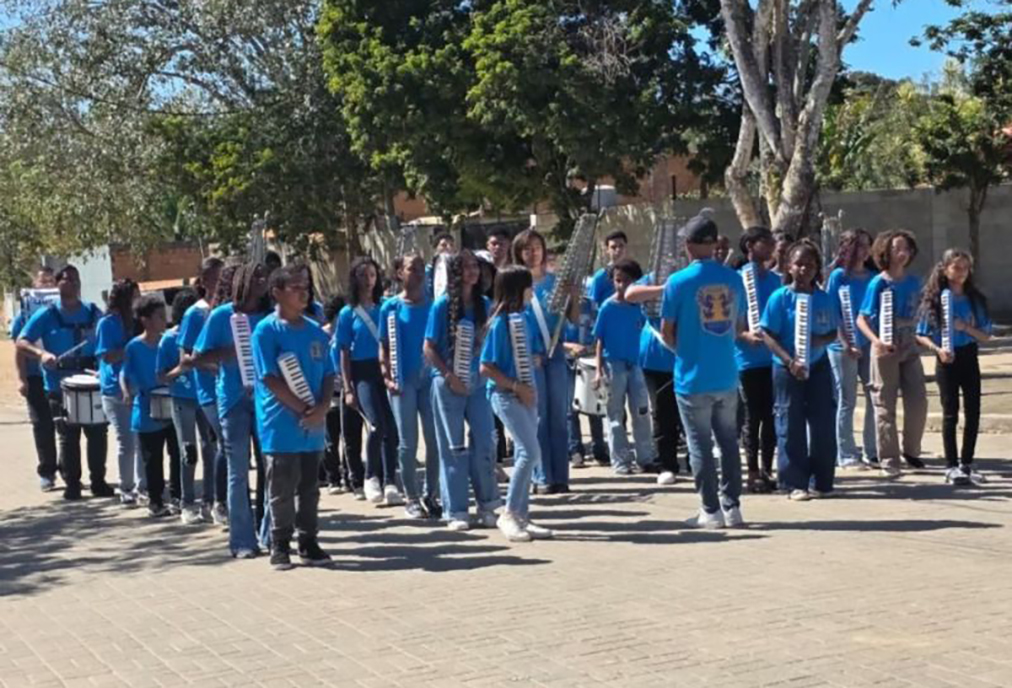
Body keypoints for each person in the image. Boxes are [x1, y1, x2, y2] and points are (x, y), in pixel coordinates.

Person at [660, 216, 745, 529]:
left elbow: (666, 330)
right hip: (726, 372)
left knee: (700, 445)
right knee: (728, 442)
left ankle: (710, 510)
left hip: (692, 376)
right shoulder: (733, 279)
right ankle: (733, 505)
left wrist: (682, 349)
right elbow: (738, 327)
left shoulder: (678, 282)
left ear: (689, 245)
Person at [252, 265, 334, 570]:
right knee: (281, 489)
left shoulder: (315, 331)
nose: (304, 292)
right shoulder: (266, 331)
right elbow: (270, 379)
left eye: (306, 286)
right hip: (280, 424)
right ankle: (279, 543)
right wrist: (303, 410)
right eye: (296, 287)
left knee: (310, 489)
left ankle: (309, 542)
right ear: (277, 293)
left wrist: (323, 407)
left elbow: (328, 373)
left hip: (312, 425)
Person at [194, 263, 270, 558]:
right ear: (242, 282)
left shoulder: (269, 315)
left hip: (266, 400)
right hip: (233, 401)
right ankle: (241, 540)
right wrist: (228, 354)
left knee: (271, 467)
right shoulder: (223, 316)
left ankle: (270, 533)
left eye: (265, 278)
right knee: (238, 472)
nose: (262, 283)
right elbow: (198, 356)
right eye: (256, 278)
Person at [17, 265, 111, 501]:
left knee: (98, 433)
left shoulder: (92, 311)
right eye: (66, 279)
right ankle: (72, 484)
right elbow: (21, 341)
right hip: (60, 386)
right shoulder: (47, 314)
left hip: (91, 381)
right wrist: (41, 355)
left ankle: (98, 481)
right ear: (57, 284)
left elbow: (106, 337)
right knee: (68, 437)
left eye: (75, 279)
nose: (72, 283)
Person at [760, 241, 841, 500]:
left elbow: (832, 331)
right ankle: (794, 482)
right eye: (799, 263)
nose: (804, 268)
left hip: (818, 366)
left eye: (810, 264)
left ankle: (822, 481)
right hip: (787, 370)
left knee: (823, 423)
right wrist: (789, 361)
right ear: (789, 267)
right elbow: (768, 334)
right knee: (789, 423)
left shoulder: (825, 298)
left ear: (817, 267)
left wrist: (821, 340)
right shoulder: (780, 297)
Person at [425, 249, 500, 531]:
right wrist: (448, 375)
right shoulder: (442, 306)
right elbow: (429, 347)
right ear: (456, 272)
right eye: (466, 267)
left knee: (484, 441)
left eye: (476, 267)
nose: (473, 272)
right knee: (453, 447)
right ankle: (455, 509)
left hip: (478, 385)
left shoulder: (485, 304)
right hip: (447, 384)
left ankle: (489, 503)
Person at [481, 265, 553, 543]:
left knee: (531, 453)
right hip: (506, 395)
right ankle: (509, 513)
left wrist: (532, 361)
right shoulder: (499, 324)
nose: (531, 292)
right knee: (528, 453)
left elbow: (529, 352)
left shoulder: (522, 319)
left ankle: (522, 515)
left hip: (525, 393)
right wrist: (516, 386)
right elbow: (486, 367)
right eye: (527, 287)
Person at [916, 249, 992, 486]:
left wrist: (965, 328)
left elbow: (986, 335)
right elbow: (921, 334)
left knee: (974, 410)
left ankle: (967, 463)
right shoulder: (935, 300)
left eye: (965, 268)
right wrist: (937, 350)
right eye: (956, 268)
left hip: (969, 356)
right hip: (946, 359)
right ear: (945, 269)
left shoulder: (974, 299)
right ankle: (951, 465)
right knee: (951, 412)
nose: (961, 273)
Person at [513, 229, 579, 494]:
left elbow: (572, 318)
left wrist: (573, 296)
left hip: (556, 356)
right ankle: (541, 476)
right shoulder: (515, 286)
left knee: (559, 416)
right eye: (526, 249)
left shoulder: (556, 282)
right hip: (532, 358)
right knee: (538, 417)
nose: (533, 253)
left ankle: (560, 476)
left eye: (536, 247)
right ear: (518, 253)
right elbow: (512, 322)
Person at [857, 230, 927, 479]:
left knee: (918, 398)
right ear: (885, 252)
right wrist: (875, 341)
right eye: (898, 248)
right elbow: (862, 317)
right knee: (885, 404)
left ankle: (912, 451)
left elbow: (922, 312)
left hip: (909, 344)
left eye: (907, 248)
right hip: (885, 346)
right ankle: (889, 459)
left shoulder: (914, 281)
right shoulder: (879, 282)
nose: (903, 253)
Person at [379, 253, 441, 519]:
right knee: (407, 443)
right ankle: (411, 497)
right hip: (402, 382)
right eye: (410, 269)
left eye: (420, 269)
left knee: (434, 439)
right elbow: (383, 345)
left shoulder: (435, 305)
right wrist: (387, 377)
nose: (416, 273)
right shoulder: (390, 308)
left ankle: (432, 493)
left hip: (430, 381)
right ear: (399, 273)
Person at [337, 257, 401, 506]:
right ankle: (370, 476)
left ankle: (390, 480)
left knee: (391, 427)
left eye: (372, 275)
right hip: (361, 371)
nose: (368, 280)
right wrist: (347, 387)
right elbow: (343, 351)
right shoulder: (347, 312)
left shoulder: (386, 307)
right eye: (363, 275)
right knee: (375, 424)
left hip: (384, 369)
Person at [593, 258, 656, 475]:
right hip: (614, 365)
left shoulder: (640, 307)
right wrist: (598, 370)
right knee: (615, 415)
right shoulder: (607, 307)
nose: (622, 286)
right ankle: (620, 460)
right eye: (618, 280)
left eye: (627, 281)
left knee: (641, 411)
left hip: (636, 364)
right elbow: (599, 340)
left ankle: (645, 457)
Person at [178, 259, 228, 527]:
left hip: (230, 389)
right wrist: (212, 365)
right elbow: (185, 356)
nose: (222, 284)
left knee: (219, 447)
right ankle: (206, 501)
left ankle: (216, 500)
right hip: (207, 391)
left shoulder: (229, 311)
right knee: (219, 443)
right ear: (205, 281)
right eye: (217, 278)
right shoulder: (195, 314)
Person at [825, 229, 878, 469]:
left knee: (874, 396)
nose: (864, 251)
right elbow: (832, 312)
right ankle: (845, 453)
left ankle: (872, 450)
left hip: (868, 345)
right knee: (846, 400)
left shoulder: (872, 277)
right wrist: (847, 344)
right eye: (858, 246)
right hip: (842, 346)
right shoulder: (838, 276)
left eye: (867, 245)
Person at [625, 266, 682, 485]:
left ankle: (694, 459)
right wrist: (664, 288)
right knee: (663, 411)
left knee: (690, 412)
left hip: (688, 352)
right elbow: (630, 294)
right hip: (657, 355)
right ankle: (666, 464)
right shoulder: (653, 277)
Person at [158, 288, 211, 524]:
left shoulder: (206, 336)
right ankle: (186, 502)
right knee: (188, 451)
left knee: (211, 450)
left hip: (205, 397)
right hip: (182, 398)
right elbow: (161, 376)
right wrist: (181, 368)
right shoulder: (169, 339)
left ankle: (210, 500)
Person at [735, 227, 780, 493]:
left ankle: (767, 468)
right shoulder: (739, 279)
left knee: (771, 417)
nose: (772, 246)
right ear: (751, 245)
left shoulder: (774, 281)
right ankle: (751, 472)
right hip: (747, 359)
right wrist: (743, 334)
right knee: (753, 417)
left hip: (772, 359)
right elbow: (730, 319)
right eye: (766, 242)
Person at [122, 295, 173, 517]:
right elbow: (125, 373)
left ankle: (177, 495)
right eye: (159, 317)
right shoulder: (133, 346)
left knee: (176, 452)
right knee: (152, 458)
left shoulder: (167, 342)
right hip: (145, 408)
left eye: (165, 316)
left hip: (170, 404)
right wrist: (126, 392)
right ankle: (155, 500)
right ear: (145, 320)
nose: (164, 321)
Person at [10, 267, 58, 491]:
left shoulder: (62, 312)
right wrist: (22, 379)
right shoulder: (25, 316)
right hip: (35, 376)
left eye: (51, 282)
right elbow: (19, 349)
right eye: (43, 282)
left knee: (65, 426)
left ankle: (69, 470)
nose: (47, 286)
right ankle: (47, 472)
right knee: (42, 425)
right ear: (34, 286)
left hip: (58, 377)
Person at [95, 279, 143, 505]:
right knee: (126, 440)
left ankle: (142, 484)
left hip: (138, 384)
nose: (138, 299)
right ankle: (126, 486)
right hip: (115, 389)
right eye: (135, 295)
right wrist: (132, 348)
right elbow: (107, 356)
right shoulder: (108, 323)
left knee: (141, 438)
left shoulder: (135, 323)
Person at [589, 230, 628, 308]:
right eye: (613, 247)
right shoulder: (600, 276)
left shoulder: (634, 273)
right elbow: (592, 305)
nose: (618, 250)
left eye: (621, 246)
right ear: (607, 250)